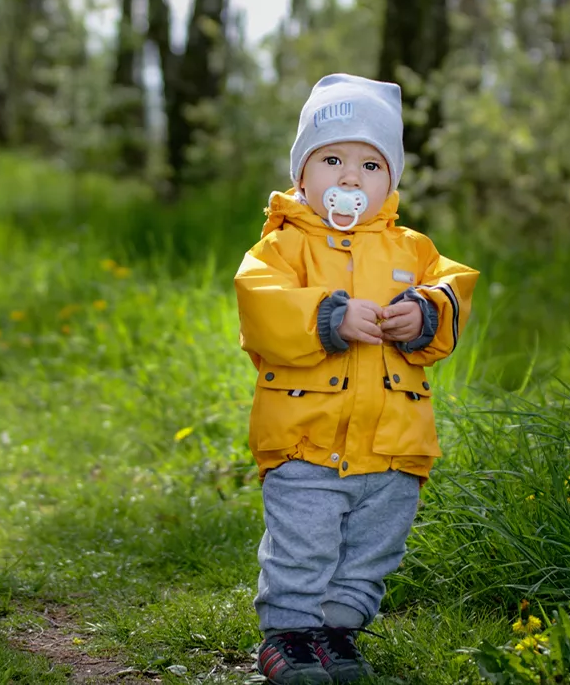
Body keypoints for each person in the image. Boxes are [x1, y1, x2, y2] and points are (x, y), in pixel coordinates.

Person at [233, 73, 479, 684]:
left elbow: (453, 295)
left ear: (390, 181)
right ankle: (289, 636)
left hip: (394, 444)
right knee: (305, 541)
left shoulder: (414, 249)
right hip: (306, 436)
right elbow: (261, 308)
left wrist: (424, 314)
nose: (350, 178)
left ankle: (338, 634)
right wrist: (329, 316)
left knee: (373, 548)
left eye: (371, 165)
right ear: (302, 177)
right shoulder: (282, 249)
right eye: (333, 159)